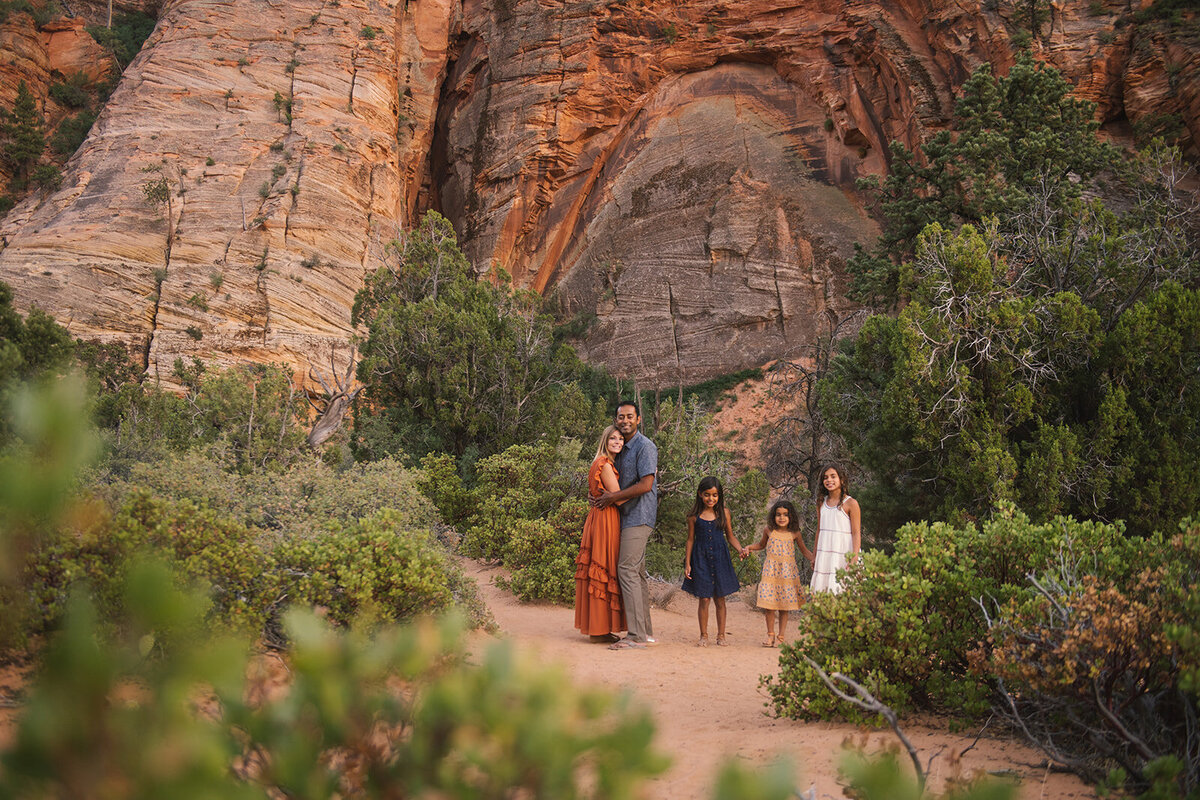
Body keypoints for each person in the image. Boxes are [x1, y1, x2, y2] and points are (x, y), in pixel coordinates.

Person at [593, 400, 658, 649]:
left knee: (626, 570)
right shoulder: (620, 448)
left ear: (638, 419)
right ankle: (646, 632)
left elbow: (646, 485)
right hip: (625, 516)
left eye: (630, 416)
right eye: (621, 417)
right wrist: (602, 495)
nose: (625, 421)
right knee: (637, 573)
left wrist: (612, 498)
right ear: (615, 419)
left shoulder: (645, 446)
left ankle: (635, 636)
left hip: (639, 516)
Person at [574, 425, 627, 643]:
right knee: (603, 567)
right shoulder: (604, 464)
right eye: (613, 438)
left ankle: (600, 628)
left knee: (600, 568)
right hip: (606, 520)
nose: (617, 442)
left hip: (599, 517)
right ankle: (599, 630)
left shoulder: (600, 463)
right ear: (605, 440)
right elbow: (619, 497)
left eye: (621, 439)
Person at [680, 477, 745, 647]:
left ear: (719, 496)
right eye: (707, 495)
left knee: (720, 599)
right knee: (704, 599)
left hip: (720, 559)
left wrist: (740, 549)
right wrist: (687, 563)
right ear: (700, 494)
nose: (711, 499)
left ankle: (721, 635)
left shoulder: (724, 513)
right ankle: (703, 635)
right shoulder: (693, 517)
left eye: (715, 495)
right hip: (700, 560)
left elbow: (730, 536)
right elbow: (690, 540)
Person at [745, 500, 811, 647]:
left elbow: (804, 550)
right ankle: (770, 636)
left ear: (791, 517)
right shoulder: (769, 531)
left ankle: (781, 637)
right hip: (771, 573)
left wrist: (815, 559)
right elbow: (761, 545)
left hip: (787, 575)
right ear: (773, 516)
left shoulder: (795, 534)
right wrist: (749, 547)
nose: (782, 518)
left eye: (785, 515)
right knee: (769, 606)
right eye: (778, 515)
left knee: (784, 606)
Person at [810, 465, 861, 594]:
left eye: (833, 476)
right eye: (825, 478)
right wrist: (815, 555)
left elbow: (856, 533)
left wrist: (855, 557)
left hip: (843, 553)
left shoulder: (851, 503)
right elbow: (819, 530)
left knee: (844, 591)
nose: (829, 480)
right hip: (825, 554)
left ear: (841, 480)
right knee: (822, 593)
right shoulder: (821, 502)